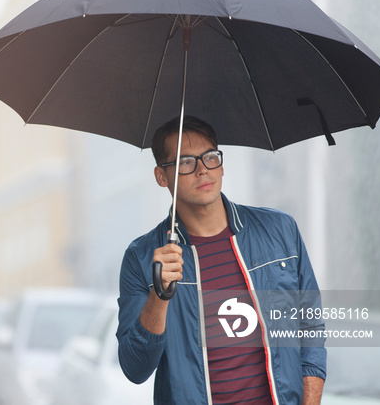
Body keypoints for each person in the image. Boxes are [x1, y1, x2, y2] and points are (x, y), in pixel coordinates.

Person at [116, 116, 326, 405]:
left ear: (222, 165)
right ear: (161, 176)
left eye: (211, 157)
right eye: (186, 162)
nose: (202, 169)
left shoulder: (279, 230)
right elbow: (135, 368)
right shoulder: (141, 258)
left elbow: (310, 327)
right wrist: (159, 295)